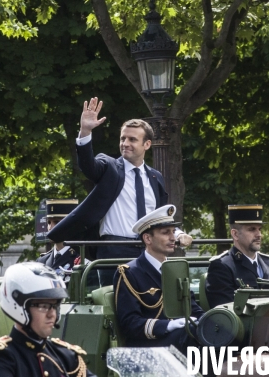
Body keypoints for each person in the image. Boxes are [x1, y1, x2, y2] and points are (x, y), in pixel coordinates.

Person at [47, 97, 191, 285]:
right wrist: (85, 131)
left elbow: (160, 216)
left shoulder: (155, 177)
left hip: (149, 250)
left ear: (147, 144)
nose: (125, 143)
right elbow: (88, 166)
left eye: (132, 139)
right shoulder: (110, 167)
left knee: (151, 300)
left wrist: (178, 234)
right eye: (123, 138)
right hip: (113, 249)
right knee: (114, 304)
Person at [0, 262, 95, 377]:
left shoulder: (66, 355)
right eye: (43, 306)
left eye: (54, 306)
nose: (51, 314)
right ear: (20, 306)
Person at [113, 205, 204, 351]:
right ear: (147, 238)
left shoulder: (175, 270)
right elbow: (129, 324)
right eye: (165, 233)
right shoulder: (129, 273)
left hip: (180, 339)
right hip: (148, 346)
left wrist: (211, 322)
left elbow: (194, 310)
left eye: (173, 232)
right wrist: (168, 325)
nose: (173, 238)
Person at [205, 204, 269, 309]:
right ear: (235, 234)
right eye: (252, 229)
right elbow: (225, 314)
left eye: (259, 229)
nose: (259, 234)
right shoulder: (223, 267)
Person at [37, 199, 80, 278]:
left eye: (56, 222)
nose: (50, 227)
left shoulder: (81, 259)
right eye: (49, 222)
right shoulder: (41, 261)